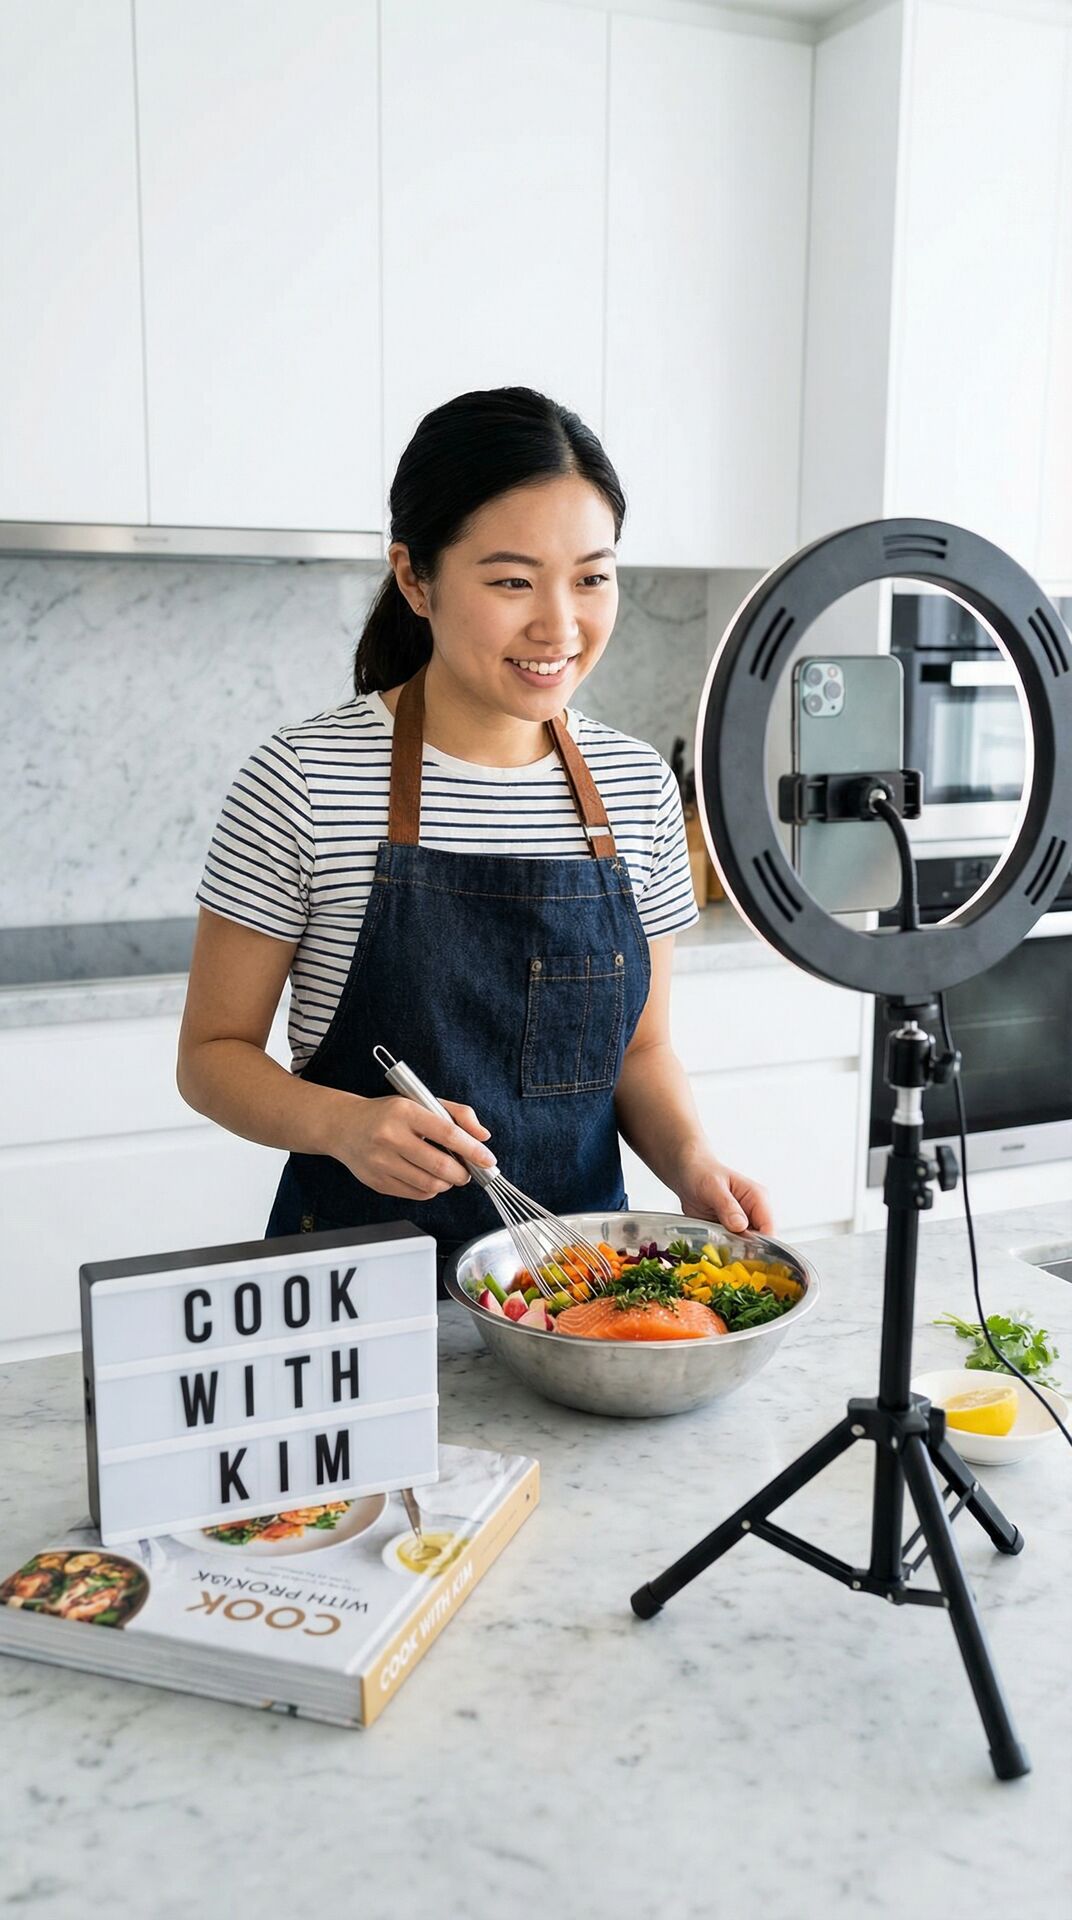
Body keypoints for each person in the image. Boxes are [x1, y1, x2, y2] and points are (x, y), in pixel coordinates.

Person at [177, 386, 772, 1287]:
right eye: (510, 580)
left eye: (592, 576)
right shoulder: (303, 779)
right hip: (353, 1289)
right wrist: (343, 1124)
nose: (559, 625)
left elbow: (640, 1052)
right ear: (415, 577)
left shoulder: (637, 787)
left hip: (580, 1291)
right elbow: (211, 1057)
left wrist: (691, 1165)